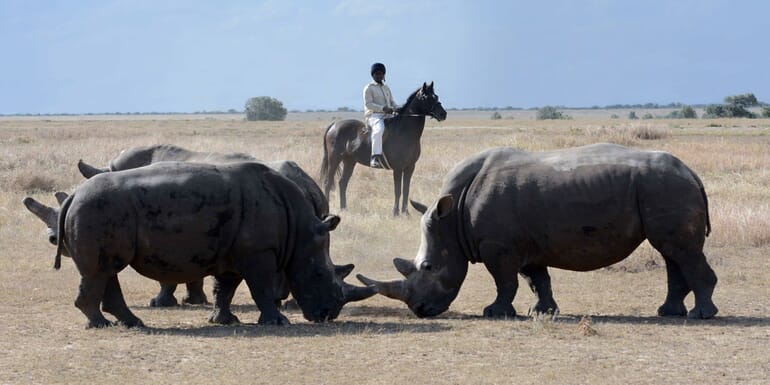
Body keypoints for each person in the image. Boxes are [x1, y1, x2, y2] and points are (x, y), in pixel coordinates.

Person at [363, 62, 398, 169]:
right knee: (379, 130)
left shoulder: (386, 88)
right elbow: (368, 104)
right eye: (377, 74)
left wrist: (398, 108)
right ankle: (375, 157)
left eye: (381, 74)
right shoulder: (369, 88)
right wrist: (383, 108)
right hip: (374, 116)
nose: (379, 76)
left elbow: (392, 101)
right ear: (372, 75)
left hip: (387, 115)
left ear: (384, 75)